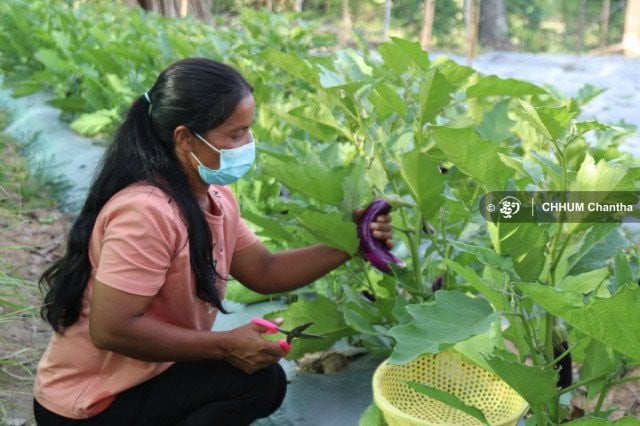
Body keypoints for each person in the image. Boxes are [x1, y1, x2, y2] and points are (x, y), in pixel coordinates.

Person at [33, 58, 393, 425]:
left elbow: (265, 271)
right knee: (251, 382)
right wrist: (225, 345)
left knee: (261, 382)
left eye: (248, 131)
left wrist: (352, 241)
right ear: (185, 137)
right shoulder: (146, 212)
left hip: (148, 377)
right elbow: (111, 328)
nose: (248, 144)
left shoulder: (214, 196)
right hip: (90, 402)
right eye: (235, 135)